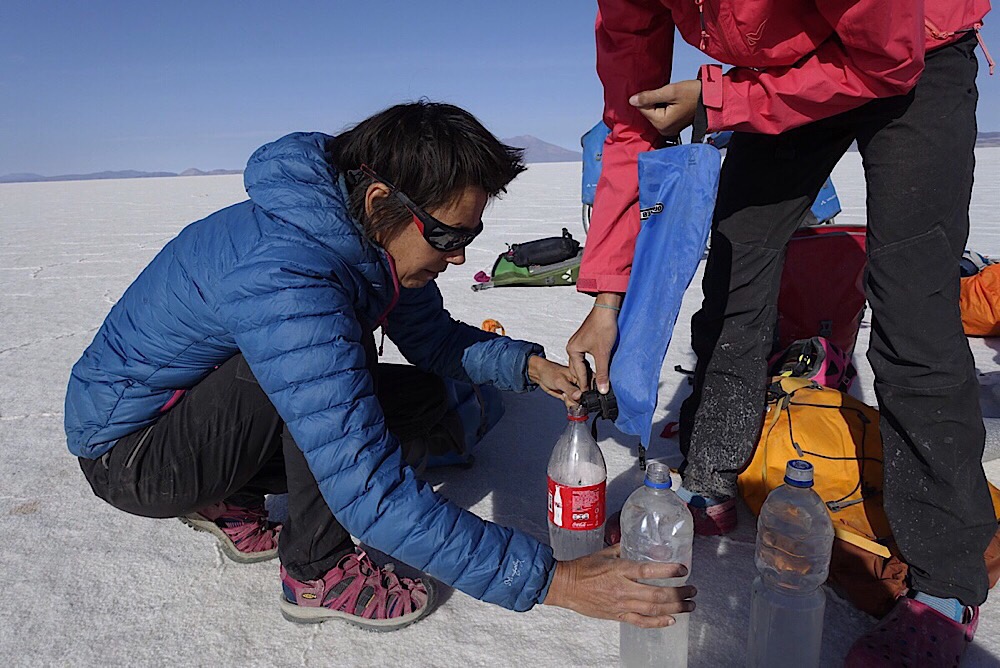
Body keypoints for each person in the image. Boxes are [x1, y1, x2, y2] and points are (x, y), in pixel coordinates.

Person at [65, 101, 696, 632]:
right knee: (331, 367)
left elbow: (434, 342)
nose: (456, 259)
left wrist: (531, 368)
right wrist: (557, 580)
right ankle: (314, 570)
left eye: (469, 241)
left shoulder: (369, 238)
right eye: (448, 238)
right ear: (377, 200)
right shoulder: (289, 274)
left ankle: (227, 498)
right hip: (135, 456)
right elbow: (366, 486)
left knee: (421, 395)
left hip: (200, 421)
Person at [567, 1, 995, 663]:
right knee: (738, 262)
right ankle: (711, 476)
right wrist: (606, 300)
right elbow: (631, 122)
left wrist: (719, 101)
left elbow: (887, 56)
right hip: (781, 71)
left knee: (913, 305)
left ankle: (945, 585)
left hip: (916, 50)